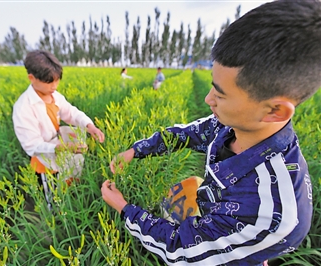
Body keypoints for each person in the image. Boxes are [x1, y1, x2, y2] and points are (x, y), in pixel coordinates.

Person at [101, 1, 320, 265]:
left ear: (274, 111)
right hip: (218, 218)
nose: (207, 99)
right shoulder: (231, 125)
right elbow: (185, 134)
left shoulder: (271, 210)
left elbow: (179, 248)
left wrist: (124, 208)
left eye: (220, 94)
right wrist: (135, 151)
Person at [13, 50, 105, 209]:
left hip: (60, 150)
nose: (54, 86)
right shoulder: (23, 108)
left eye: (57, 81)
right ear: (32, 78)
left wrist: (90, 126)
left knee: (67, 186)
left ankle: (67, 208)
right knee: (53, 197)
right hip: (44, 161)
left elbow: (71, 112)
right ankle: (53, 223)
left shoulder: (54, 96)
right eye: (49, 82)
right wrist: (63, 147)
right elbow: (31, 145)